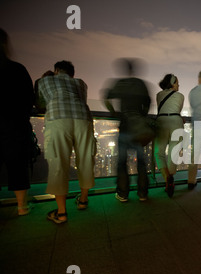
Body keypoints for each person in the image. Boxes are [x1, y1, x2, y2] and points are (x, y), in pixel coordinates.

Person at [37, 60, 96, 224]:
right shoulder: (81, 83)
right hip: (83, 120)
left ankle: (61, 213)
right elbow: (80, 100)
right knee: (85, 159)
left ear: (56, 70)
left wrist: (45, 77)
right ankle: (83, 201)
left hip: (58, 120)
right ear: (72, 73)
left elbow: (41, 103)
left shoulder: (46, 81)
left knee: (58, 162)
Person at [103, 58, 151, 202]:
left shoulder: (120, 83)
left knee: (122, 162)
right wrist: (142, 115)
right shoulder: (141, 84)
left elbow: (106, 97)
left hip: (124, 127)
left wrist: (113, 111)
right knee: (141, 163)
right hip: (139, 129)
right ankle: (143, 193)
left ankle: (123, 193)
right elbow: (148, 103)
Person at [0, 29, 34, 216]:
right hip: (14, 126)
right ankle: (22, 206)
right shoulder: (17, 69)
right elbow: (29, 98)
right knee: (17, 166)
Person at [154, 74, 184, 198]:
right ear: (172, 83)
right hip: (176, 122)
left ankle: (167, 180)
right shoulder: (180, 96)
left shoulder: (158, 95)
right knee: (174, 153)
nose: (178, 85)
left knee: (158, 152)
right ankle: (170, 179)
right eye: (177, 82)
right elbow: (177, 109)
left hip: (161, 122)